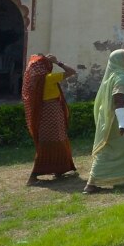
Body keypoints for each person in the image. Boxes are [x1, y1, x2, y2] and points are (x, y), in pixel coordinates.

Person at [84, 49, 124, 194]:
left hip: (115, 117)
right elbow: (119, 101)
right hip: (121, 118)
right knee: (110, 150)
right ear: (120, 60)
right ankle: (92, 182)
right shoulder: (120, 78)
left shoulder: (114, 76)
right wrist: (122, 124)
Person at [22, 54, 77, 184]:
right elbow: (72, 71)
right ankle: (35, 175)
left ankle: (60, 169)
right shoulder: (48, 78)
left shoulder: (34, 80)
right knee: (54, 139)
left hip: (44, 112)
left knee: (54, 138)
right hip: (52, 110)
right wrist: (58, 62)